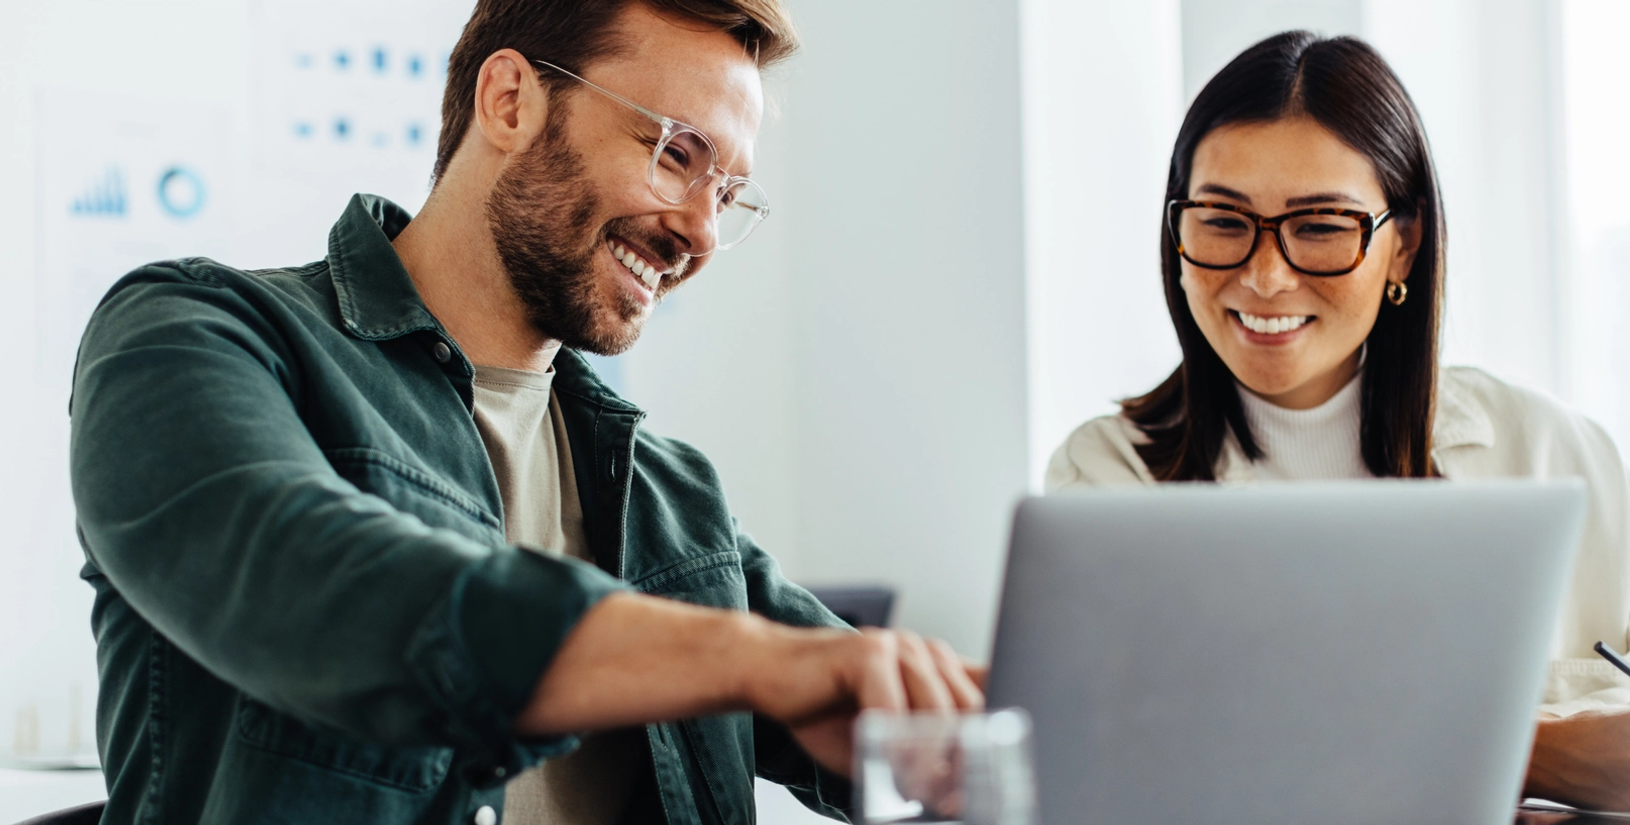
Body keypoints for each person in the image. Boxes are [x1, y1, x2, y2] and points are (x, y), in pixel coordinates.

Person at [67, 2, 984, 824]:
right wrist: (752, 658)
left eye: (727, 195)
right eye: (674, 153)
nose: (703, 233)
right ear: (509, 101)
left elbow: (863, 701)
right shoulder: (196, 334)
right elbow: (324, 583)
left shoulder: (674, 497)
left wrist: (996, 724)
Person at [1046, 31, 1630, 814]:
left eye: (1321, 226)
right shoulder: (1107, 478)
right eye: (1223, 221)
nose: (1264, 275)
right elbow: (1116, 750)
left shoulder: (1545, 447)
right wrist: (1530, 751)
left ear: (1402, 246)